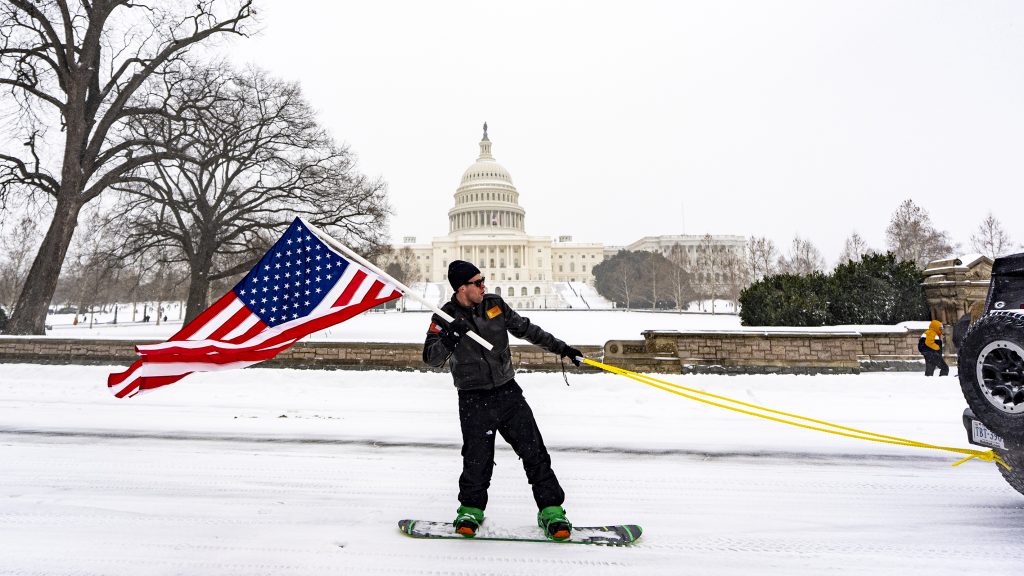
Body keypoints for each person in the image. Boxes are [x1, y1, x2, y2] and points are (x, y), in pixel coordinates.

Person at [423, 260, 583, 541]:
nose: (484, 286)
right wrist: (450, 338)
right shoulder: (444, 317)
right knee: (477, 459)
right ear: (462, 288)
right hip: (473, 397)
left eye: (483, 280)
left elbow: (527, 330)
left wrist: (563, 349)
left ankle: (552, 511)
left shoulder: (494, 305)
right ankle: (470, 510)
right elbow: (431, 359)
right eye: (478, 282)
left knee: (534, 452)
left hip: (507, 392)